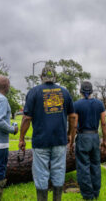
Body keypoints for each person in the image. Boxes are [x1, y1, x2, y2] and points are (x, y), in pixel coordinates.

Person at [19, 66, 76, 201]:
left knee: (41, 174)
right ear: (55, 77)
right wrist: (69, 135)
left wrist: (21, 138)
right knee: (58, 172)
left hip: (40, 141)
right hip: (59, 141)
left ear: (41, 77)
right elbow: (73, 117)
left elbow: (27, 118)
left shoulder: (34, 92)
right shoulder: (65, 92)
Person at [69, 81, 106, 200]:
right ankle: (96, 192)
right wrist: (105, 141)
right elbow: (103, 123)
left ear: (80, 91)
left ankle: (87, 195)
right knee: (95, 165)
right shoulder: (99, 104)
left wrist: (71, 142)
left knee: (83, 167)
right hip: (95, 138)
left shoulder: (76, 105)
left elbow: (74, 126)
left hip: (83, 138)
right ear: (91, 91)